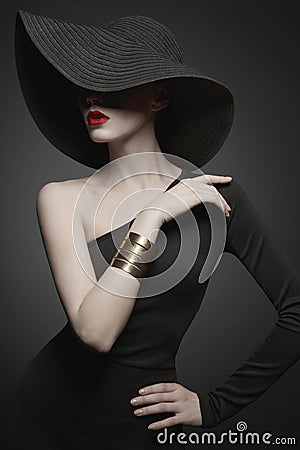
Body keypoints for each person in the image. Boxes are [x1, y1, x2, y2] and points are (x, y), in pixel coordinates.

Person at [5, 9, 300, 450]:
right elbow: (96, 333)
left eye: (112, 80)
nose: (91, 96)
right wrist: (150, 218)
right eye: (85, 83)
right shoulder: (59, 197)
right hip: (48, 414)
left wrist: (216, 405)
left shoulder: (216, 198)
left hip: (145, 422)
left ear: (160, 97)